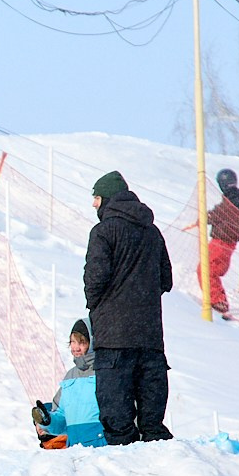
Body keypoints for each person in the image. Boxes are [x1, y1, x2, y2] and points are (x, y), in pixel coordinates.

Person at [82, 168, 174, 445]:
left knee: (116, 409)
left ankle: (124, 458)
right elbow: (166, 279)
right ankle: (160, 454)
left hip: (114, 336)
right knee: (152, 413)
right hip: (149, 335)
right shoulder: (153, 232)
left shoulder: (103, 231)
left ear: (107, 198)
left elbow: (95, 277)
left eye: (96, 199)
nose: (94, 205)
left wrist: (97, 305)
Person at [29, 321, 106, 449]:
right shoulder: (70, 377)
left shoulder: (106, 373)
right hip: (74, 450)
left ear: (93, 343)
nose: (76, 347)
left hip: (103, 451)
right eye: (72, 342)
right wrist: (47, 421)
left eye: (82, 342)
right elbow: (62, 420)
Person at [204, 166, 239, 318]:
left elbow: (222, 212)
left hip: (222, 241)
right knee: (211, 270)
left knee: (206, 270)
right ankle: (218, 300)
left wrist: (208, 217)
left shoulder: (234, 198)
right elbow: (223, 211)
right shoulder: (236, 197)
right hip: (227, 242)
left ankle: (218, 301)